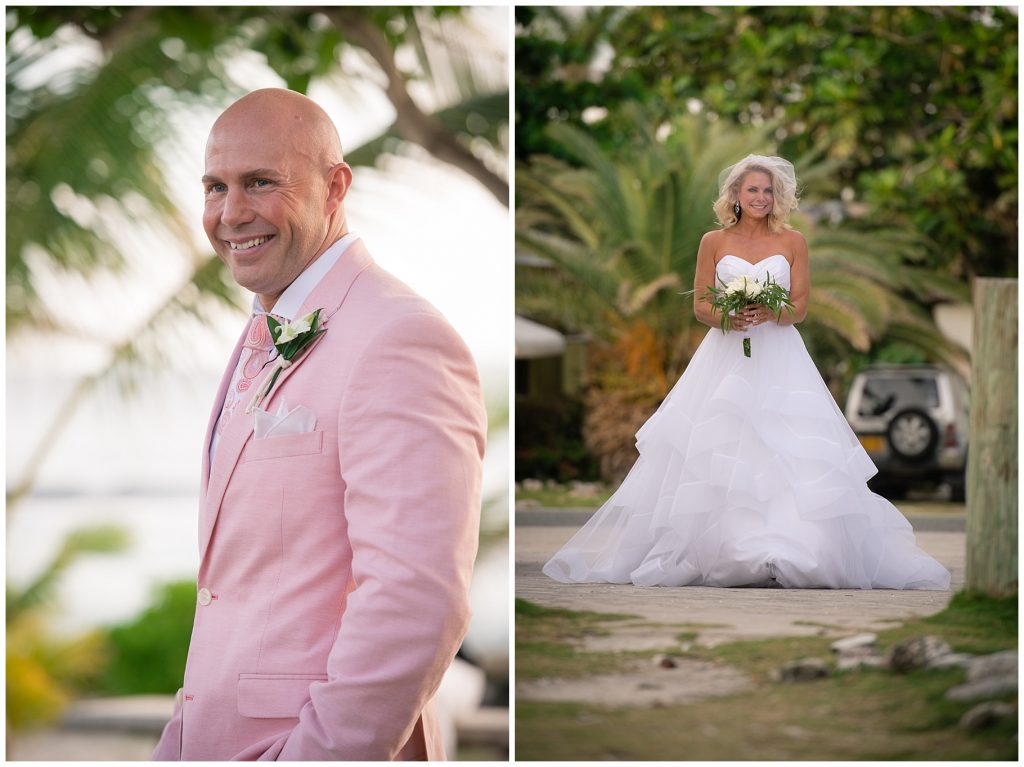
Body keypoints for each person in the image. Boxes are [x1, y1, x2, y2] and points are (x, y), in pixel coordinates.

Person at [152, 88, 486, 760]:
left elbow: (415, 601)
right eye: (215, 186)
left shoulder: (399, 336)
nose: (230, 212)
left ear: (335, 186)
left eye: (260, 182)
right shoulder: (263, 329)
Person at [542, 154, 950, 590]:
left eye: (768, 190)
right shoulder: (712, 241)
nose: (760, 197)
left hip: (781, 358)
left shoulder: (793, 242)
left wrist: (772, 308)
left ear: (779, 197)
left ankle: (793, 548)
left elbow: (801, 308)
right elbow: (701, 304)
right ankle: (726, 550)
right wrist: (727, 317)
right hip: (726, 357)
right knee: (721, 444)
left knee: (788, 447)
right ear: (735, 195)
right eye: (752, 189)